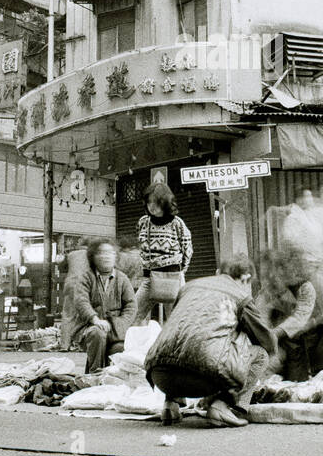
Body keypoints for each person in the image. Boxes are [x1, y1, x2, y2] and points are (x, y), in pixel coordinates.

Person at [145, 254, 276, 428]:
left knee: (183, 337)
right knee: (260, 355)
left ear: (218, 272)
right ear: (246, 279)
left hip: (160, 375)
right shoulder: (240, 295)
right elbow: (266, 341)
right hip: (202, 378)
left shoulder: (189, 287)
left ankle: (171, 405)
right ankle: (223, 406)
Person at [257, 248, 323, 381]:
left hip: (314, 345)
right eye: (265, 275)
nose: (269, 278)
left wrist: (314, 322)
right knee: (265, 365)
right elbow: (260, 322)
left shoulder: (309, 285)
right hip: (285, 349)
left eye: (272, 272)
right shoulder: (266, 294)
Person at [63, 239, 136, 373]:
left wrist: (120, 324)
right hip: (89, 327)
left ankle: (113, 379)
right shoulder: (85, 278)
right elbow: (81, 301)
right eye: (101, 253)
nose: (106, 256)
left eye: (110, 253)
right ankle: (94, 374)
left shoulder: (122, 279)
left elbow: (131, 305)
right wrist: (95, 320)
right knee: (97, 334)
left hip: (115, 330)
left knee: (120, 348)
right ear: (93, 257)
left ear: (116, 256)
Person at [133, 182, 193, 323]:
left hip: (173, 277)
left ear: (165, 202)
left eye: (155, 202)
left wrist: (180, 271)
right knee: (132, 315)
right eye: (148, 202)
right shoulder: (143, 222)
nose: (151, 206)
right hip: (149, 278)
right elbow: (140, 246)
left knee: (176, 321)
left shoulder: (177, 223)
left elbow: (187, 249)